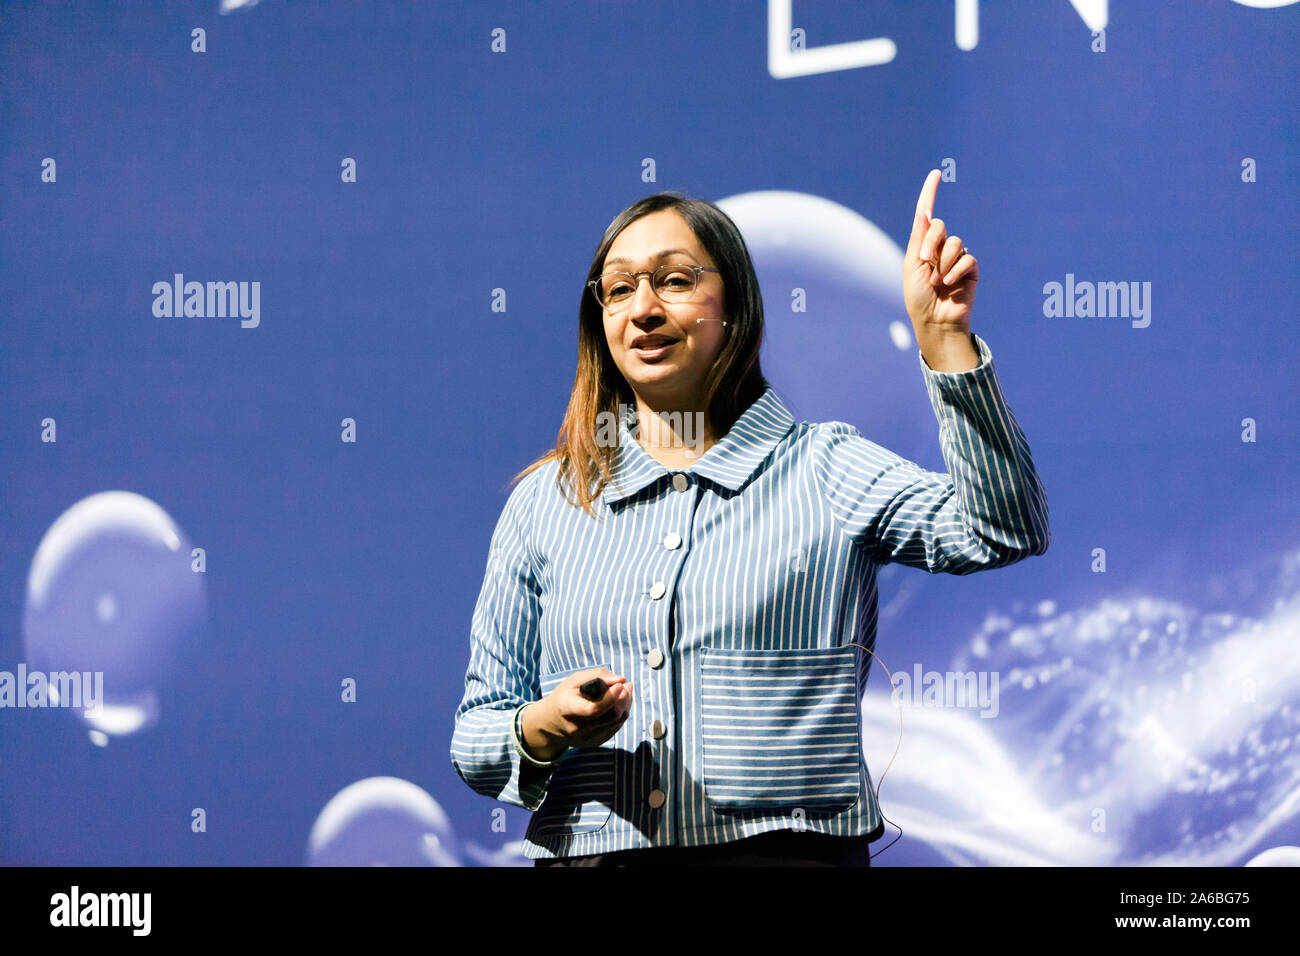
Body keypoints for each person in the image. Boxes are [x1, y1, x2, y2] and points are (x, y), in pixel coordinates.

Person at [450, 170, 1050, 866]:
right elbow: (475, 739)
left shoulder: (826, 467)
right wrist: (545, 726)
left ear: (735, 309)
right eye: (618, 289)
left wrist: (945, 340)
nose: (642, 307)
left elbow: (1002, 527)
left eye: (674, 281)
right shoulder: (546, 503)